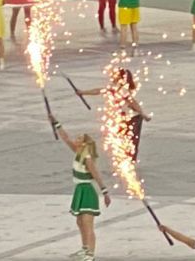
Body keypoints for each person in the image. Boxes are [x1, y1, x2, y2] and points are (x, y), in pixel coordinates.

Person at [48, 112, 112, 261]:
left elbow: (96, 175)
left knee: (87, 224)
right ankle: (84, 249)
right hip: (79, 190)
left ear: (84, 144)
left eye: (79, 139)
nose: (75, 140)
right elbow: (65, 138)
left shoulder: (87, 158)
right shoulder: (78, 152)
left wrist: (105, 192)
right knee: (79, 222)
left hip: (87, 191)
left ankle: (90, 254)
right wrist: (56, 123)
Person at [77, 68, 148, 160]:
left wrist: (143, 114)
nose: (111, 76)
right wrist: (83, 92)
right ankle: (125, 158)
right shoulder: (113, 87)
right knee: (122, 139)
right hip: (124, 118)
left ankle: (130, 160)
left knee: (131, 141)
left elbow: (133, 103)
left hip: (133, 118)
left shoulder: (122, 89)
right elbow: (99, 91)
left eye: (114, 74)